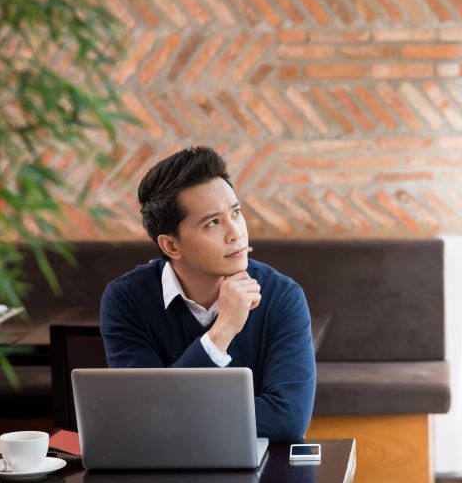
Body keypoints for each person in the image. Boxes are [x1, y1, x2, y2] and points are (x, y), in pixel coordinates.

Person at [99, 146, 315, 442]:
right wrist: (222, 332)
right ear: (171, 246)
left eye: (236, 213)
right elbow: (145, 414)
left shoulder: (282, 296)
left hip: (264, 478)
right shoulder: (126, 300)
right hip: (164, 479)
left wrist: (172, 413)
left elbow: (288, 419)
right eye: (213, 222)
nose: (236, 233)